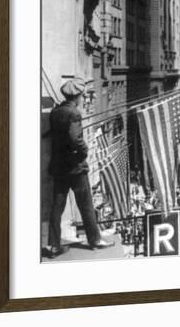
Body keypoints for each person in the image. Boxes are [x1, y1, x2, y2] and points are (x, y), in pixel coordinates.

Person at [48, 76, 114, 258]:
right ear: (77, 96)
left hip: (59, 167)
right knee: (86, 205)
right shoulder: (74, 114)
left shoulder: (56, 113)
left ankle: (53, 245)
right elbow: (75, 137)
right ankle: (95, 240)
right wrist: (84, 151)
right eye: (82, 96)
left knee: (57, 207)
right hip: (75, 168)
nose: (83, 99)